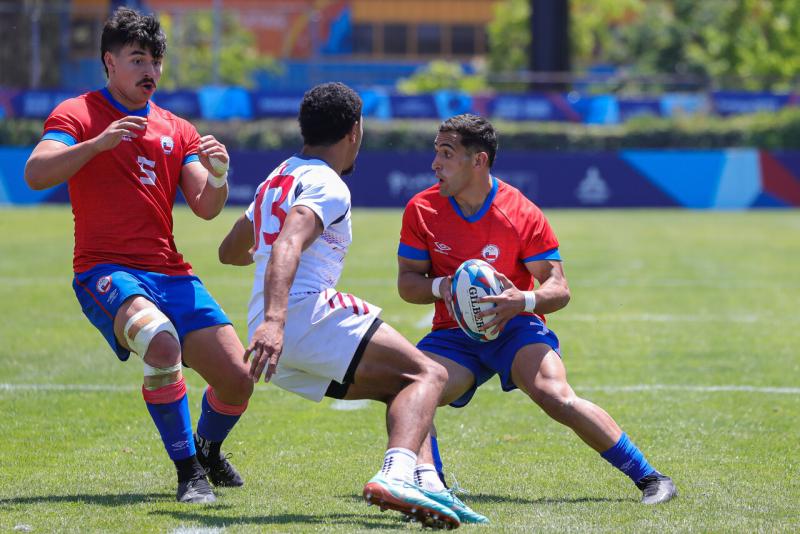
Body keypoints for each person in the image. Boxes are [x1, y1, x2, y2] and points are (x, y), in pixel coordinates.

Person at [23, 7, 252, 504]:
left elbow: (206, 208)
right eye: (137, 59)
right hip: (105, 270)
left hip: (171, 272)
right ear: (109, 62)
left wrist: (218, 174)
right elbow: (36, 172)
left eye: (156, 61)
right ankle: (188, 470)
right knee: (161, 343)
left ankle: (208, 450)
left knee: (238, 380)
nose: (149, 70)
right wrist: (96, 145)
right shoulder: (77, 114)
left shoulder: (177, 128)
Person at [397, 114, 678, 508]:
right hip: (455, 332)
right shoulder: (421, 209)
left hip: (515, 325)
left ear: (479, 161)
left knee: (554, 394)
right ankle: (432, 488)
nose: (435, 164)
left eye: (446, 154)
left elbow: (559, 289)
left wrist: (521, 302)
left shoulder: (520, 212)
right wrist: (441, 286)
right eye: (436, 153)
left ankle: (651, 477)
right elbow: (407, 283)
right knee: (413, 390)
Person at [217, 82, 460, 529]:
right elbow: (291, 240)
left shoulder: (277, 178)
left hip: (275, 332)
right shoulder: (328, 184)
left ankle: (430, 486)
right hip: (299, 316)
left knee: (403, 386)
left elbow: (230, 250)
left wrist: (269, 311)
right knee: (431, 373)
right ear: (354, 130)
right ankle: (396, 475)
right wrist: (276, 320)